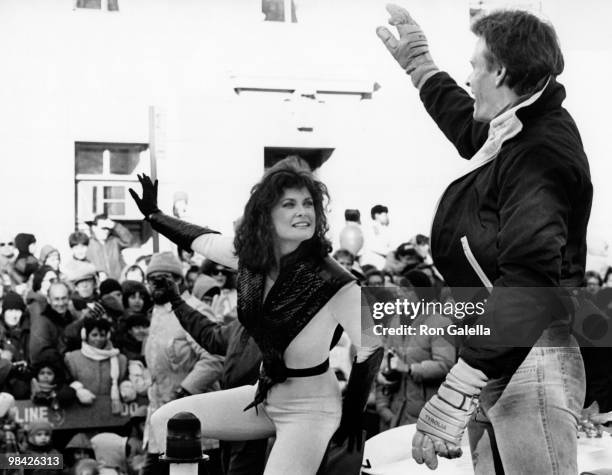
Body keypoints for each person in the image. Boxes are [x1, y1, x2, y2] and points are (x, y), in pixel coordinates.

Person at [377, 5, 591, 473]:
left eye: (475, 66)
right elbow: (466, 122)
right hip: (500, 350)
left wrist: (460, 383)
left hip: (527, 353)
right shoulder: (519, 127)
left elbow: (530, 280)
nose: (469, 78)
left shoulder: (541, 151)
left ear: (501, 71)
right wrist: (421, 67)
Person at [129, 158, 383, 475]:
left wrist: (352, 410)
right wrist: (155, 216)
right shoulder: (251, 258)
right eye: (289, 204)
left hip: (312, 412)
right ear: (265, 214)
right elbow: (203, 239)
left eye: (308, 203)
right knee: (165, 422)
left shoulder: (336, 281)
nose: (302, 211)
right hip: (265, 397)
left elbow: (373, 341)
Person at [64, 317, 134, 414]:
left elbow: (124, 379)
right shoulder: (72, 358)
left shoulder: (120, 359)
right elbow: (67, 382)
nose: (98, 339)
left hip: (110, 412)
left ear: (108, 336)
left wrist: (126, 387)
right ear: (85, 336)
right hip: (81, 412)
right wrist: (78, 390)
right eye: (94, 335)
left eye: (102, 335)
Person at [29, 282, 77, 366]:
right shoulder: (41, 322)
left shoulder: (72, 318)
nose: (61, 303)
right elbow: (39, 355)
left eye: (64, 298)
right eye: (56, 299)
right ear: (48, 299)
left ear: (69, 298)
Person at [86, 214, 134, 281]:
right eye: (103, 228)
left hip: (118, 283)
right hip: (99, 285)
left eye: (108, 228)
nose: (106, 231)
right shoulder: (88, 244)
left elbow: (129, 240)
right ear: (94, 228)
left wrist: (115, 226)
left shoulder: (114, 241)